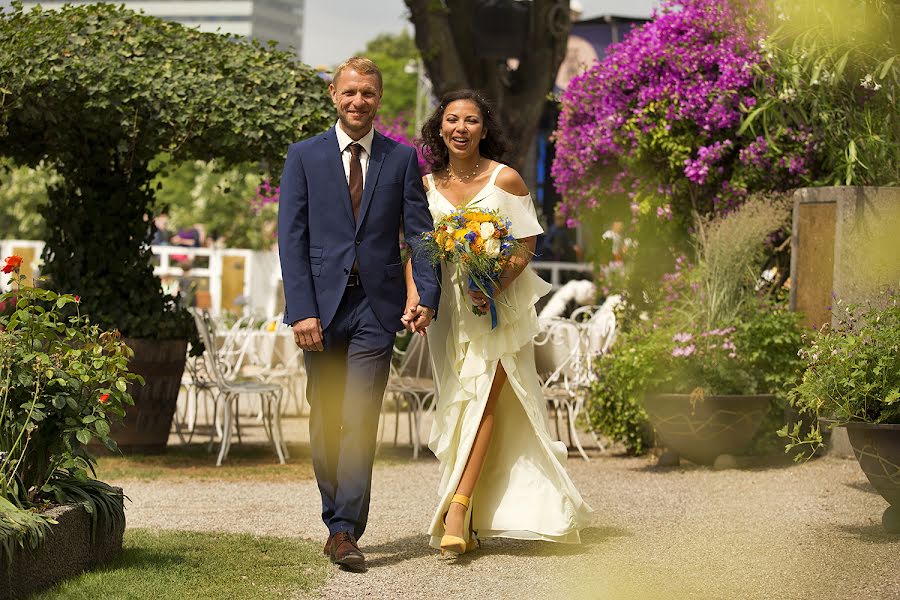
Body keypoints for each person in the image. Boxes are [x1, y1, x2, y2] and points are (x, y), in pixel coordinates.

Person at [404, 90, 592, 557]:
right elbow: (416, 251)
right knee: (459, 402)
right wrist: (415, 298)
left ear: (484, 129)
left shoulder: (504, 179)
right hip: (449, 311)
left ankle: (457, 507)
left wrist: (494, 283)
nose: (461, 128)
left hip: (498, 308)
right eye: (452, 119)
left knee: (486, 396)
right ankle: (476, 511)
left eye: (471, 120)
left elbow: (527, 244)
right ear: (440, 127)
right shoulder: (426, 186)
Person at [277, 56, 439, 572]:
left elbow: (419, 234)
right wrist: (301, 309)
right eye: (349, 92)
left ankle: (345, 530)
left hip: (376, 305)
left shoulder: (400, 159)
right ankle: (335, 518)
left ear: (379, 98)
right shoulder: (304, 157)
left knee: (360, 415)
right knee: (325, 419)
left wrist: (427, 294)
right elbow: (292, 238)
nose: (358, 102)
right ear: (334, 95)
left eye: (367, 93)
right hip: (320, 310)